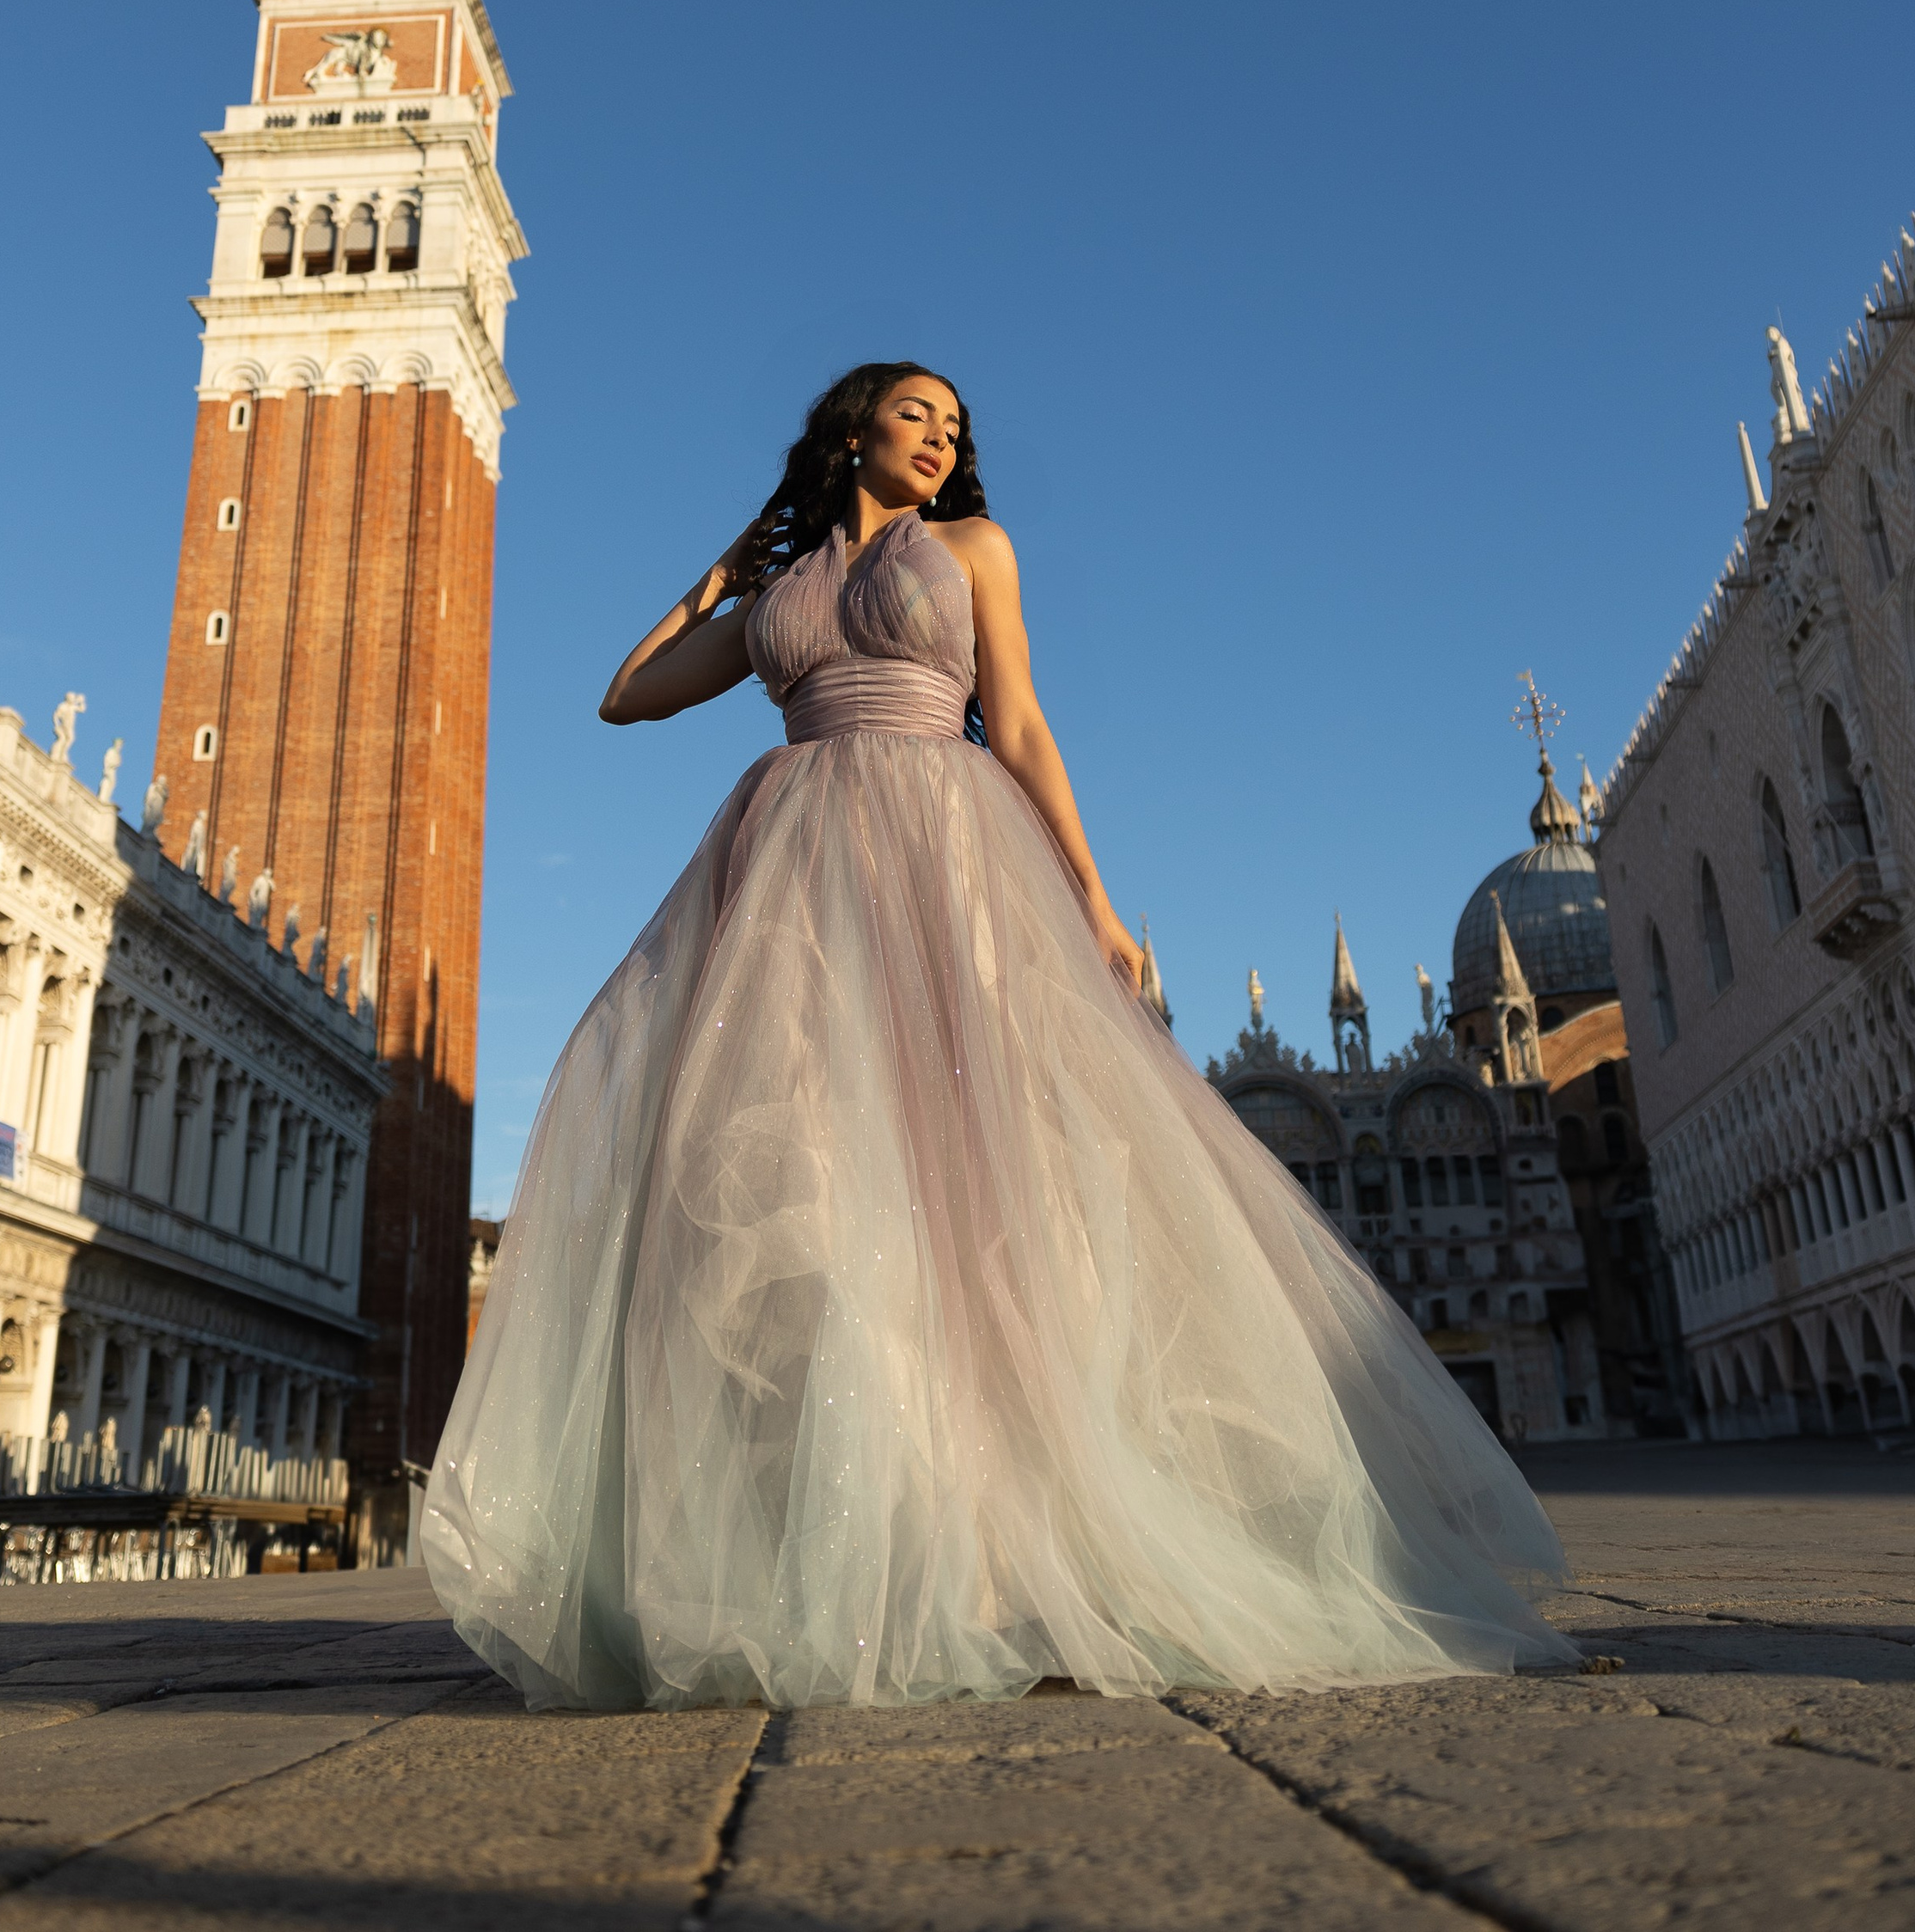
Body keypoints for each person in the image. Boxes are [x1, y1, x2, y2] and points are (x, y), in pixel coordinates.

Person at [423, 363, 1572, 1709]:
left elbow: (1018, 721)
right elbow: (628, 695)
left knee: (977, 1184)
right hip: (793, 877)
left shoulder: (974, 547)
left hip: (944, 851)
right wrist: (726, 574)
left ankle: (1007, 1560)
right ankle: (879, 1551)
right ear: (853, 425)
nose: (942, 435)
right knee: (816, 1186)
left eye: (955, 425)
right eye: (918, 412)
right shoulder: (781, 584)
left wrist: (1091, 892)